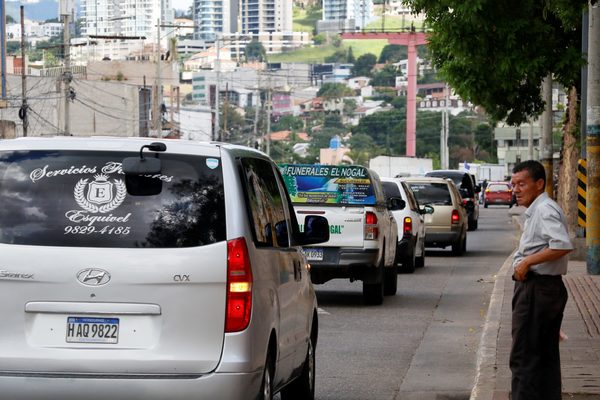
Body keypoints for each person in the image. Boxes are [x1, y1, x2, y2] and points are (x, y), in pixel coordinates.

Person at [509, 160, 573, 400]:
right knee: (544, 358)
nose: (515, 189)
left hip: (537, 290)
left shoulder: (545, 209)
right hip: (543, 290)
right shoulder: (537, 210)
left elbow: (561, 245)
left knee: (524, 357)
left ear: (539, 184)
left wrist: (526, 263)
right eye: (513, 184)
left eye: (521, 184)